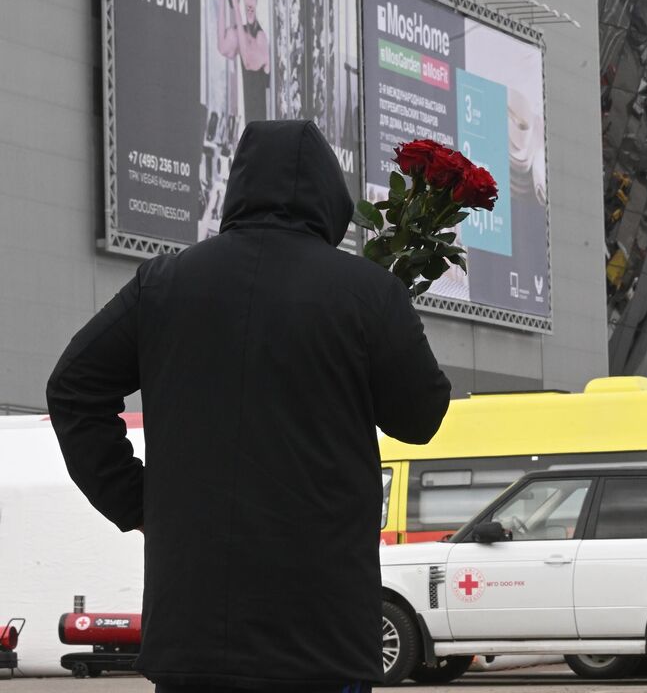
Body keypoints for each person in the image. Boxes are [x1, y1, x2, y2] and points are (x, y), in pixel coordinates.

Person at [46, 120, 452, 692]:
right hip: (322, 630)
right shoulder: (367, 292)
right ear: (331, 198)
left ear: (237, 188)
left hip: (194, 629)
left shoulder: (162, 284)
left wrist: (136, 502)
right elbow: (420, 418)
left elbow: (72, 388)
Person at [219, 0, 270, 122]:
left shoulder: (261, 36)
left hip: (265, 133)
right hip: (249, 130)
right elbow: (222, 46)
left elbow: (248, 60)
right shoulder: (241, 32)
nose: (249, 2)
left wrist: (236, 7)